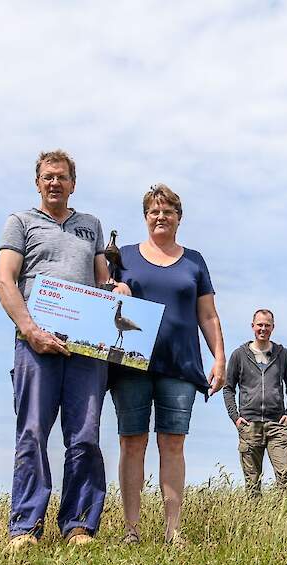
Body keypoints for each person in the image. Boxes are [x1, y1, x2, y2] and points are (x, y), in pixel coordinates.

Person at [0, 150, 127, 550]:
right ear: (38, 182)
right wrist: (30, 330)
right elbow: (5, 281)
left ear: (73, 183)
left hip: (86, 347)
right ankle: (25, 527)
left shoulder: (91, 226)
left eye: (62, 177)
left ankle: (79, 525)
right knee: (33, 432)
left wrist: (116, 290)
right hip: (36, 344)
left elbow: (102, 280)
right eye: (48, 177)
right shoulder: (20, 222)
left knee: (85, 435)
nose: (55, 183)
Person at [110, 183, 226, 545]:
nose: (161, 217)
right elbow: (104, 297)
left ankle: (172, 530)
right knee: (132, 442)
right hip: (132, 364)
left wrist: (219, 358)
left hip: (180, 364)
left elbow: (207, 315)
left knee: (173, 443)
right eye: (154, 212)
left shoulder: (194, 261)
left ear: (179, 218)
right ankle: (131, 529)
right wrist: (116, 289)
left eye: (168, 212)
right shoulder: (124, 255)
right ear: (145, 217)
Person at [223, 309, 287, 498]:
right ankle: (253, 525)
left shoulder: (282, 354)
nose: (263, 329)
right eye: (260, 325)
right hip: (249, 426)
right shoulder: (239, 355)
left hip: (277, 425)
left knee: (285, 478)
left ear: (273, 327)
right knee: (252, 483)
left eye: (267, 325)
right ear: (252, 326)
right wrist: (236, 418)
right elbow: (228, 388)